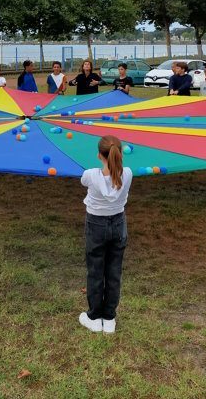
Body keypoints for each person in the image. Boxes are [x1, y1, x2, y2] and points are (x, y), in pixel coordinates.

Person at [79, 135, 132, 334]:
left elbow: (85, 181)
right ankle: (109, 319)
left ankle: (94, 317)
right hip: (118, 223)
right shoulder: (127, 173)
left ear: (99, 156)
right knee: (113, 272)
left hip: (96, 225)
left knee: (95, 270)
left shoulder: (91, 175)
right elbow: (114, 178)